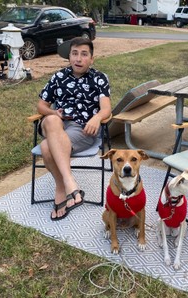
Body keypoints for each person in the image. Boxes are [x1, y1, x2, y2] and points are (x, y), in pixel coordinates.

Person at [37, 37, 111, 221]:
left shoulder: (99, 78)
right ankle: (70, 183)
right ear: (69, 57)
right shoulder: (58, 77)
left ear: (91, 59)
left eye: (84, 54)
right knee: (52, 120)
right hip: (57, 123)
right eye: (75, 53)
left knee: (47, 148)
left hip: (81, 128)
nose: (78, 59)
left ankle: (61, 188)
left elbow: (106, 108)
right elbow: (41, 106)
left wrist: (96, 117)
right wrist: (54, 112)